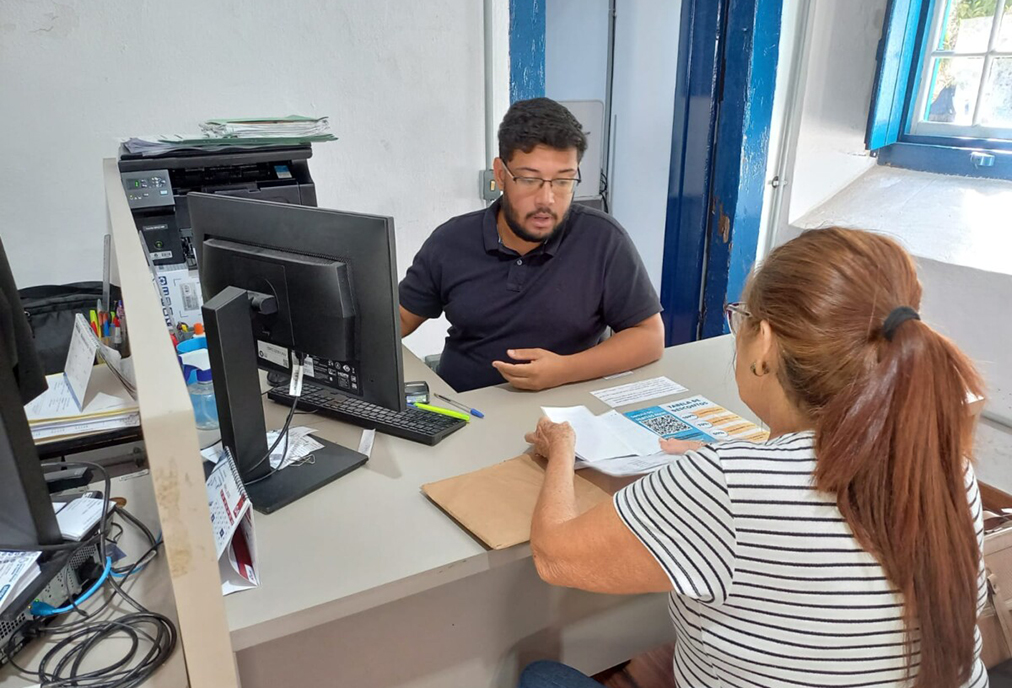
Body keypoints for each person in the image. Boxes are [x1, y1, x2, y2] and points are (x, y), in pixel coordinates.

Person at [518, 227, 988, 688]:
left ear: (763, 343)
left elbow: (555, 557)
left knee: (541, 678)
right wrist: (744, 459)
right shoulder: (947, 468)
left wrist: (564, 448)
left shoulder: (727, 483)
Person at [398, 98, 664, 393]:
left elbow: (649, 336)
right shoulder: (451, 241)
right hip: (465, 408)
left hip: (568, 408)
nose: (546, 200)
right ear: (500, 174)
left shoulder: (602, 239)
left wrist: (565, 370)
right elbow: (399, 318)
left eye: (563, 181)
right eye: (529, 179)